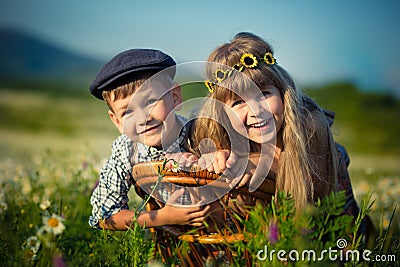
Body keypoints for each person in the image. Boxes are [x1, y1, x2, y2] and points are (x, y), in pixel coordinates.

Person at [190, 32, 363, 220]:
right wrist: (216, 156)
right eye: (238, 102)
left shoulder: (311, 124)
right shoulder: (214, 130)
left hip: (329, 236)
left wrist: (257, 162)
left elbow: (303, 182)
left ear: (282, 93)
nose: (256, 111)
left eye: (264, 94)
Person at [88, 48, 208, 230]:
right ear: (117, 122)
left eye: (151, 101)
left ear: (175, 97)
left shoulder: (198, 132)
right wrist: (162, 217)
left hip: (222, 236)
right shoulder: (126, 149)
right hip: (169, 244)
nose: (144, 118)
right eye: (128, 112)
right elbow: (104, 214)